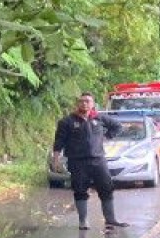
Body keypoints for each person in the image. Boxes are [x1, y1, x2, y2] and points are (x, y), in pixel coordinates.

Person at [51, 92, 128, 230]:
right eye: (82, 101)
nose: (84, 103)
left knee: (106, 188)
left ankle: (110, 219)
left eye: (87, 101)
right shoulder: (67, 121)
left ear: (93, 104)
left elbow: (118, 126)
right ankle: (83, 221)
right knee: (80, 190)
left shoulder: (99, 118)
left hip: (99, 160)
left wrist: (107, 136)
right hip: (78, 161)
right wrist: (56, 159)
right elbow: (59, 142)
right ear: (77, 104)